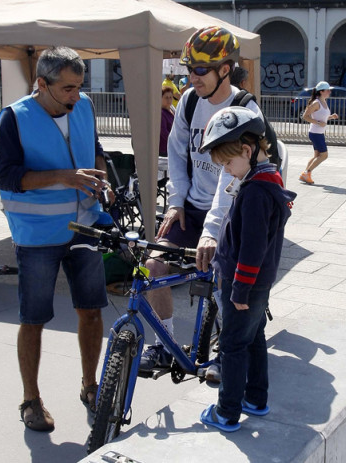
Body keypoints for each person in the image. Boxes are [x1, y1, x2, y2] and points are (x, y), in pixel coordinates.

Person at [0, 46, 111, 432]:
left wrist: (100, 173)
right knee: (34, 319)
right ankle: (31, 399)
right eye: (67, 89)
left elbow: (94, 149)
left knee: (92, 311)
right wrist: (64, 176)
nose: (75, 97)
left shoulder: (85, 106)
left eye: (79, 87)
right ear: (41, 84)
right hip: (37, 236)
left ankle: (90, 386)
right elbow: (7, 177)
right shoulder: (13, 118)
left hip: (85, 227)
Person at [138, 26, 262, 384]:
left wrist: (211, 231)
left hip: (230, 211)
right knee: (154, 264)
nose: (191, 78)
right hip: (191, 206)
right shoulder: (190, 101)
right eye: (188, 69)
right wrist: (176, 202)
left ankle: (227, 350)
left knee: (225, 278)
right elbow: (176, 152)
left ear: (225, 68)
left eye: (200, 71)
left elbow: (231, 175)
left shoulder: (243, 108)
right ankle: (164, 342)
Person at [196, 106, 296, 432]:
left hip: (245, 285)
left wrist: (238, 288)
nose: (227, 170)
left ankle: (226, 412)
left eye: (228, 163)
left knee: (232, 345)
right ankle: (257, 398)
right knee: (253, 339)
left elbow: (252, 248)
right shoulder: (265, 179)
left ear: (248, 150)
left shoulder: (254, 192)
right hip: (256, 284)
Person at [299, 81, 339, 185]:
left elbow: (322, 117)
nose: (329, 92)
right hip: (315, 133)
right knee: (324, 155)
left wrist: (331, 117)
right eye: (327, 90)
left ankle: (304, 174)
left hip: (319, 133)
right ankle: (307, 173)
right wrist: (317, 122)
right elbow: (305, 116)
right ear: (321, 91)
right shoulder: (316, 103)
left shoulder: (323, 101)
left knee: (317, 155)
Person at [160, 85, 175, 157]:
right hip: (164, 149)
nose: (169, 100)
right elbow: (164, 132)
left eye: (170, 97)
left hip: (172, 148)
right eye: (166, 98)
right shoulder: (161, 113)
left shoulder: (172, 110)